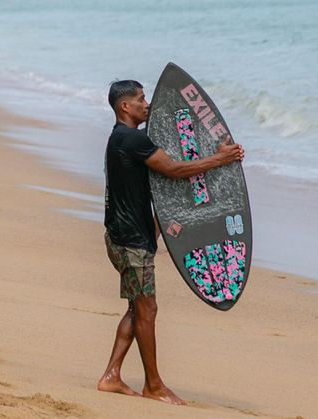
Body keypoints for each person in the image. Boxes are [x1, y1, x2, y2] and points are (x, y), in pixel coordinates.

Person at [97, 80, 245, 406]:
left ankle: (111, 376)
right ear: (125, 107)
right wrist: (221, 159)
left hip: (126, 237)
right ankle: (154, 385)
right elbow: (175, 170)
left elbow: (156, 186)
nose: (146, 104)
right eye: (140, 99)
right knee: (147, 310)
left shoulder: (119, 139)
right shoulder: (132, 139)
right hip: (130, 242)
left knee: (137, 308)